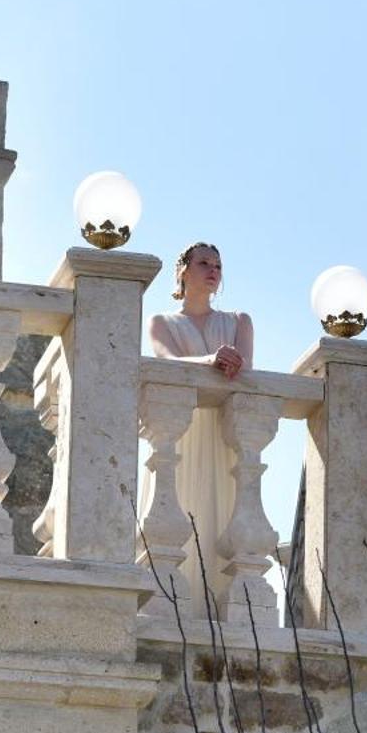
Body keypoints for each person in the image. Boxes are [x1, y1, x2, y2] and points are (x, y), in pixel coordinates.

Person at [145, 243, 254, 616]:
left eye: (218, 265)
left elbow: (243, 374)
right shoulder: (161, 322)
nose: (213, 270)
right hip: (181, 431)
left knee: (223, 513)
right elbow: (170, 364)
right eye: (204, 263)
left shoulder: (239, 321)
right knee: (180, 507)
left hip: (223, 435)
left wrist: (225, 365)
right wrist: (209, 360)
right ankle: (174, 605)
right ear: (183, 271)